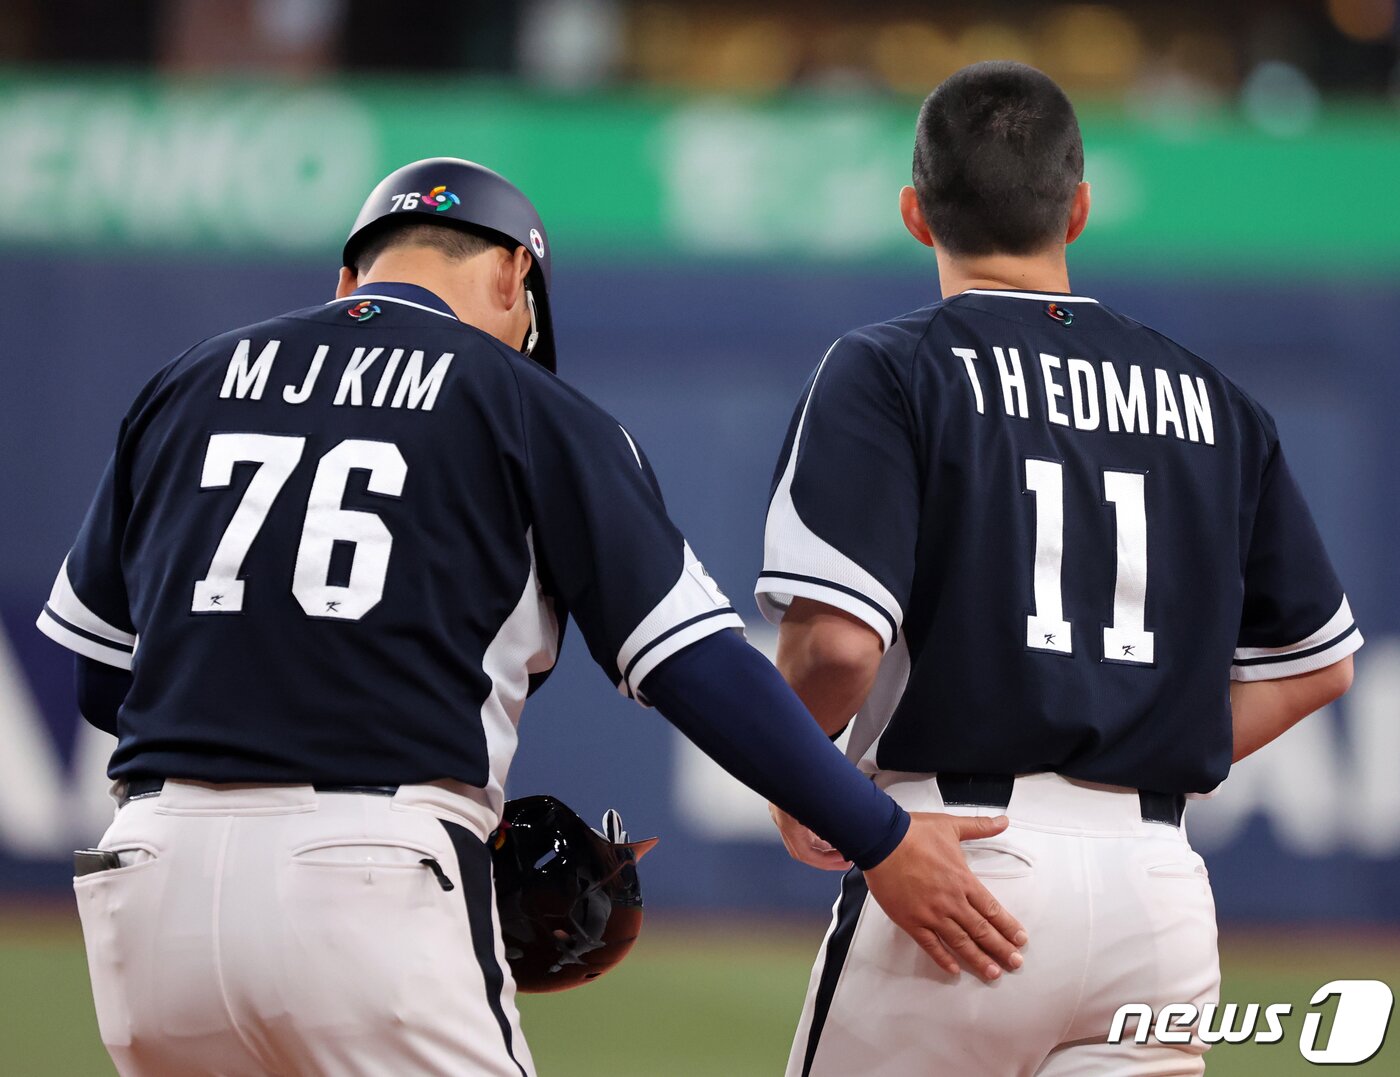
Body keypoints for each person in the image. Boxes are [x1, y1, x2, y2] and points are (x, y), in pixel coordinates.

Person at [36, 156, 1026, 1077]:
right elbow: (697, 667)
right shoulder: (522, 404)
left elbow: (103, 682)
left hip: (146, 883)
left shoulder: (183, 387)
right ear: (514, 277)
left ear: (350, 281)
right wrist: (879, 838)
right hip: (367, 872)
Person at [759, 63, 1360, 1077]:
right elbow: (1316, 665)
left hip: (957, 857)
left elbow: (833, 645)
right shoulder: (1209, 399)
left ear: (915, 214)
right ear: (1075, 208)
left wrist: (799, 778)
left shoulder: (887, 366)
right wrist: (1140, 743)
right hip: (1155, 888)